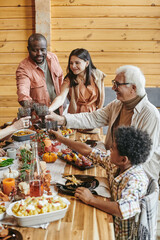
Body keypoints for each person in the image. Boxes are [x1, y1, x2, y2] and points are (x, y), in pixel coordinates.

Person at [46, 65, 160, 180]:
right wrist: (62, 119)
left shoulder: (150, 114)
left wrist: (107, 157)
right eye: (113, 83)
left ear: (133, 88)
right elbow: (93, 118)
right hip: (112, 166)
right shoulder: (117, 104)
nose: (113, 88)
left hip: (135, 178)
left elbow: (143, 157)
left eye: (117, 84)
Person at [50, 126, 152, 239]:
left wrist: (91, 199)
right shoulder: (117, 164)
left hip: (119, 234)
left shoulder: (136, 180)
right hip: (111, 220)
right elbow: (88, 151)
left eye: (113, 149)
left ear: (124, 159)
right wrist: (61, 139)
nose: (109, 151)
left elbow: (121, 209)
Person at [16, 33, 63, 114]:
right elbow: (23, 95)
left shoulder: (53, 58)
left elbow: (61, 81)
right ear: (28, 49)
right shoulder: (23, 68)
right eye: (35, 50)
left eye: (42, 49)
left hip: (59, 112)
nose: (39, 53)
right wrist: (39, 108)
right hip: (39, 119)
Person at [49, 48, 106, 114]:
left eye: (77, 63)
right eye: (71, 63)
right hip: (75, 114)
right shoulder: (69, 79)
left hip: (94, 113)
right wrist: (49, 109)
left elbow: (101, 99)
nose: (73, 66)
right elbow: (61, 98)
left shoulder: (98, 75)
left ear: (87, 63)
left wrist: (98, 115)